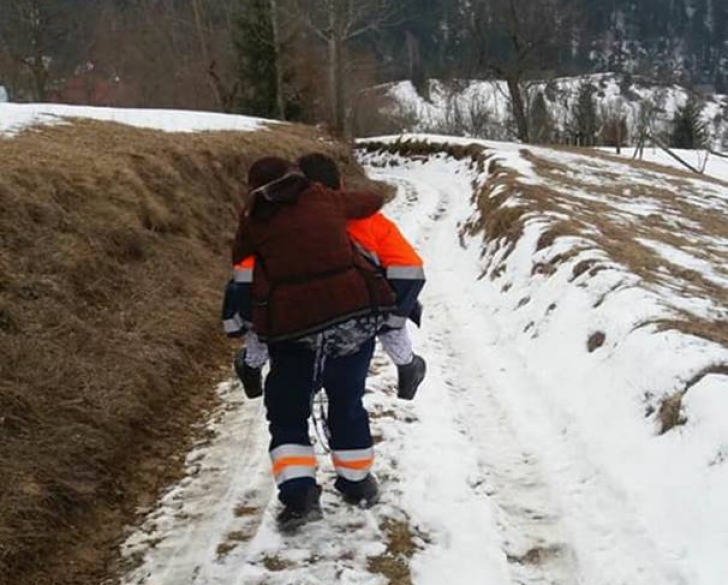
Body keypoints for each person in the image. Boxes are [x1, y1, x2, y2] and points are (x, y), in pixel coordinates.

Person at [231, 156, 396, 530]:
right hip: (351, 318)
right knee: (347, 400)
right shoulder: (322, 197)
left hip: (293, 330)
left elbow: (239, 259)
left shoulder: (254, 217)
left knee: (288, 411)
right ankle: (357, 485)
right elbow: (368, 201)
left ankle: (300, 497)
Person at [225, 153, 427, 400]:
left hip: (293, 316)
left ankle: (252, 366)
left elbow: (246, 277)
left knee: (264, 309)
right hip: (359, 309)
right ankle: (407, 365)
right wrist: (391, 317)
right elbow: (409, 270)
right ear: (341, 183)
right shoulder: (368, 222)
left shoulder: (275, 226)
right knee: (386, 299)